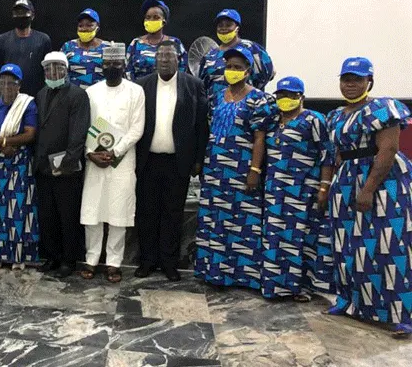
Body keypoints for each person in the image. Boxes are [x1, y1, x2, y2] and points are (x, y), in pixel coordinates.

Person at [324, 57, 412, 338]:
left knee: (387, 246)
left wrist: (368, 188)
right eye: (346, 78)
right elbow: (337, 152)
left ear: (369, 81)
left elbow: (388, 150)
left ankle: (399, 314)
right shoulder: (336, 115)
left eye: (357, 79)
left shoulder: (383, 108)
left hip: (381, 180)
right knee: (347, 244)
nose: (350, 84)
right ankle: (350, 301)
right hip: (347, 179)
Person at [195, 44, 277, 289]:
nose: (232, 71)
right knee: (214, 221)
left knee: (241, 222)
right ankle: (214, 272)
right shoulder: (218, 96)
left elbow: (260, 138)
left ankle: (242, 276)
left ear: (248, 70)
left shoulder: (259, 99)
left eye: (237, 67)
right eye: (229, 67)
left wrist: (255, 170)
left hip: (242, 170)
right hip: (215, 170)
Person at [135, 40, 209, 281]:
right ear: (155, 60)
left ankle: (169, 262)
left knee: (173, 213)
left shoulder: (193, 85)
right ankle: (147, 261)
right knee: (146, 213)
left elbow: (201, 126)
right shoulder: (141, 85)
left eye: (169, 56)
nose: (165, 60)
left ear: (179, 59)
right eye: (160, 56)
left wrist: (198, 160)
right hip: (147, 161)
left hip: (178, 162)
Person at [261, 76, 335, 301]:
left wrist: (324, 187)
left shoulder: (313, 120)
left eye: (291, 95)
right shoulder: (273, 121)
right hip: (275, 190)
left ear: (301, 96)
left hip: (303, 190)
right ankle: (277, 285)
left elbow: (327, 155)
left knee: (301, 238)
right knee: (275, 236)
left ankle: (301, 287)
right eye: (281, 95)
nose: (285, 99)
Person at [80, 43, 145, 283]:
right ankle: (91, 258)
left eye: (116, 63)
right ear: (102, 66)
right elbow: (84, 126)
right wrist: (90, 153)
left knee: (118, 212)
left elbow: (137, 128)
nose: (112, 67)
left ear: (124, 64)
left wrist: (115, 151)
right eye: (108, 63)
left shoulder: (136, 91)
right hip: (94, 160)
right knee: (92, 211)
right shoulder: (91, 92)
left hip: (123, 160)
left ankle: (114, 262)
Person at [34, 51, 91, 278]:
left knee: (67, 215)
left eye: (57, 68)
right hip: (43, 166)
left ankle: (69, 260)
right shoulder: (40, 94)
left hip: (65, 167)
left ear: (66, 70)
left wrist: (68, 160)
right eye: (48, 68)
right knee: (48, 215)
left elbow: (79, 131)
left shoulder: (77, 95)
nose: (53, 72)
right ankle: (52, 256)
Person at [0, 63, 39, 270]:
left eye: (11, 82)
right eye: (3, 82)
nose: (7, 86)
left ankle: (18, 256)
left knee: (18, 208)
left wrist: (4, 143)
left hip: (19, 162)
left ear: (19, 85)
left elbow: (30, 134)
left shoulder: (27, 105)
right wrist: (0, 145)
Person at [199, 9, 275, 103]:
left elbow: (268, 73)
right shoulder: (210, 56)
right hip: (217, 108)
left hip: (247, 107)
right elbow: (202, 85)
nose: (223, 28)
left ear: (237, 28)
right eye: (220, 25)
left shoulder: (251, 48)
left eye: (228, 25)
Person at [0, 0, 52, 100]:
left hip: (35, 98)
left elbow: (48, 73)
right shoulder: (2, 40)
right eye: (17, 13)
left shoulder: (43, 40)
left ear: (33, 15)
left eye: (25, 12)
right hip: (8, 98)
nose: (21, 16)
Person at [126, 0, 188, 80]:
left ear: (164, 21)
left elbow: (182, 70)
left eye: (156, 17)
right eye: (148, 17)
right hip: (140, 90)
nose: (151, 20)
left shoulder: (175, 43)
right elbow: (128, 71)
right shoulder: (135, 43)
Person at [61, 8, 111, 89]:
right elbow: (60, 72)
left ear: (97, 27)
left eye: (89, 25)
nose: (84, 28)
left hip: (99, 96)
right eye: (81, 25)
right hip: (73, 97)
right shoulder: (68, 46)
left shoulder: (107, 47)